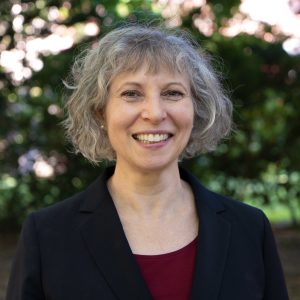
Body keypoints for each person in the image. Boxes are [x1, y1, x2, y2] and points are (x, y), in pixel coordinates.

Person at [6, 25, 289, 300]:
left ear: (197, 109)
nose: (154, 113)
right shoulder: (46, 237)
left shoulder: (250, 230)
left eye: (172, 93)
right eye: (131, 93)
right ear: (100, 113)